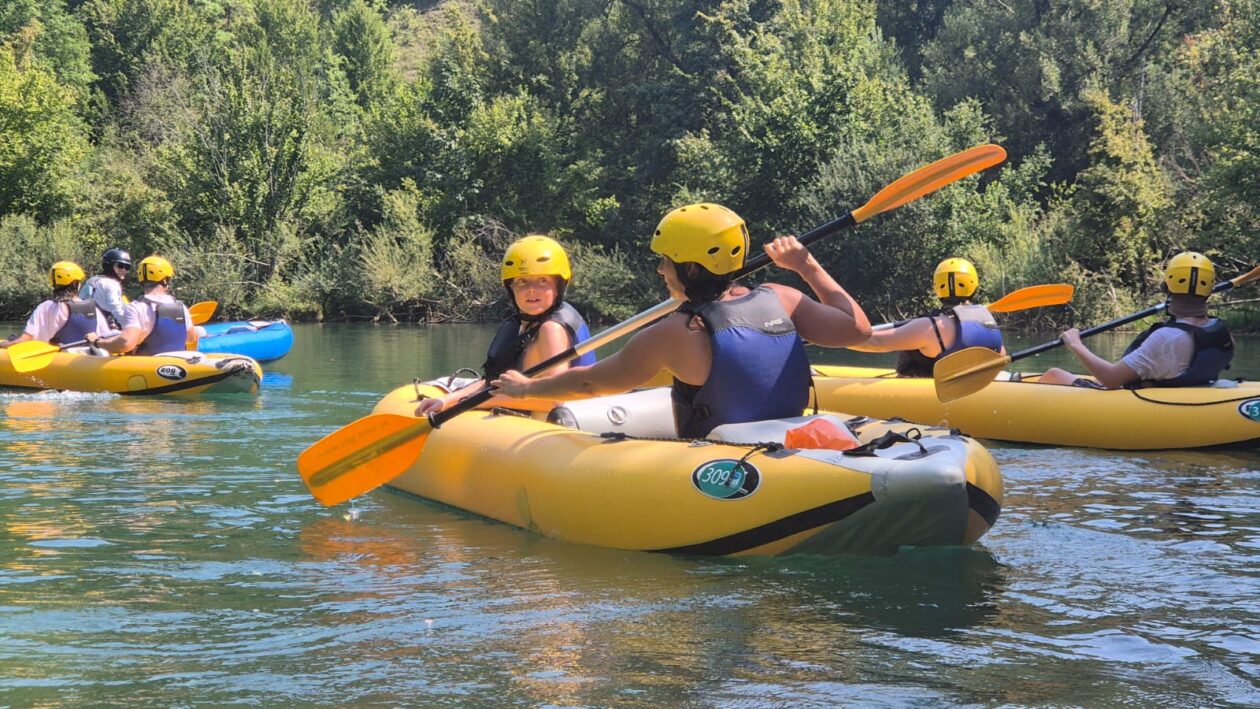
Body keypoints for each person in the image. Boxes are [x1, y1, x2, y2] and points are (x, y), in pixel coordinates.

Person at [491, 203, 871, 438]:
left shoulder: (674, 332)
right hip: (792, 441)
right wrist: (806, 266)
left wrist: (525, 390)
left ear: (690, 268)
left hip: (723, 457)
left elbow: (592, 383)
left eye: (666, 261)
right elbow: (858, 329)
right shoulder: (782, 297)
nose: (660, 270)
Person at [416, 235, 596, 415]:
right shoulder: (523, 324)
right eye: (521, 281)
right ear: (511, 288)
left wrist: (474, 403)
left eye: (542, 280)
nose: (531, 289)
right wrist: (446, 400)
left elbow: (556, 400)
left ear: (559, 285)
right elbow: (493, 383)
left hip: (571, 420)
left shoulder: (552, 329)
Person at [1039, 251, 1234, 389]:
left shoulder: (1166, 338)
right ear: (1209, 291)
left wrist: (1075, 344)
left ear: (1166, 287)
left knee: (1053, 374)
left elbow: (1112, 379)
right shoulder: (1219, 330)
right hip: (1187, 390)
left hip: (1139, 400)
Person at [848, 257, 1004, 377]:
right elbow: (1001, 357)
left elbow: (876, 343)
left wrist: (838, 338)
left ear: (937, 288)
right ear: (974, 286)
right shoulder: (987, 321)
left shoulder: (929, 328)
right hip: (980, 389)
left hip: (933, 397)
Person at [86, 255, 198, 355]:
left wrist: (97, 342)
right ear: (165, 280)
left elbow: (125, 344)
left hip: (148, 369)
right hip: (177, 364)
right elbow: (191, 338)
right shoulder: (181, 308)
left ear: (141, 279)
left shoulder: (136, 308)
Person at [0, 262, 111, 350]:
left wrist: (3, 345)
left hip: (56, 361)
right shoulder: (94, 309)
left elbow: (23, 341)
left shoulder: (46, 308)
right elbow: (106, 338)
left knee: (13, 338)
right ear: (77, 284)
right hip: (86, 361)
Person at [80, 247, 132, 328]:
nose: (124, 270)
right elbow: (116, 309)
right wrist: (129, 326)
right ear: (109, 265)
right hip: (106, 327)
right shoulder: (112, 284)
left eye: (127, 267)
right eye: (120, 265)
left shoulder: (91, 280)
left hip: (87, 324)